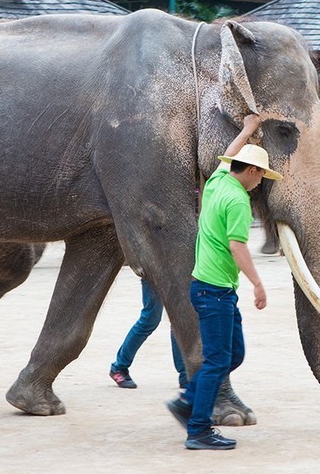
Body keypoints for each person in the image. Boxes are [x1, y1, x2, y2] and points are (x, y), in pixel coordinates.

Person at [165, 114, 275, 451]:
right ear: (253, 171)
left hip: (209, 288)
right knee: (216, 360)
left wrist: (246, 131)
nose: (261, 183)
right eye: (262, 176)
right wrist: (257, 284)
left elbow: (229, 153)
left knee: (232, 354)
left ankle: (188, 401)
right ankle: (198, 430)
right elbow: (237, 245)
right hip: (216, 292)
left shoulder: (217, 182)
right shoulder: (238, 200)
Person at [108, 276, 187, 390]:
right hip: (153, 271)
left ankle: (185, 374)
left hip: (175, 271)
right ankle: (119, 367)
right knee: (150, 319)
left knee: (179, 320)